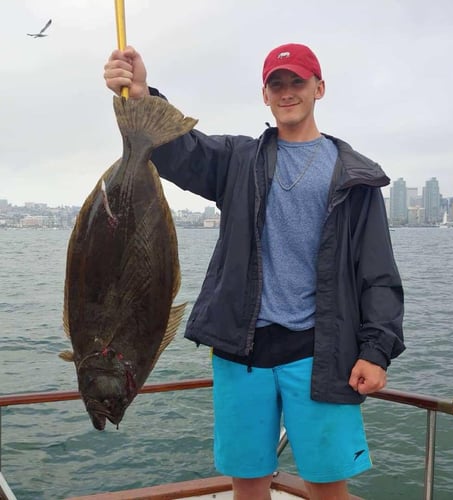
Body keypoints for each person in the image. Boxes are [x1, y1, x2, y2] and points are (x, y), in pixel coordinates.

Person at [104, 42, 405, 500]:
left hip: (320, 353)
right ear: (265, 95)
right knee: (247, 486)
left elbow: (378, 274)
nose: (287, 92)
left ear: (319, 88)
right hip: (240, 351)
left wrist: (376, 350)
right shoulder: (238, 160)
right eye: (276, 84)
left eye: (297, 82)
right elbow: (180, 152)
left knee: (328, 487)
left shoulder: (355, 175)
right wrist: (143, 94)